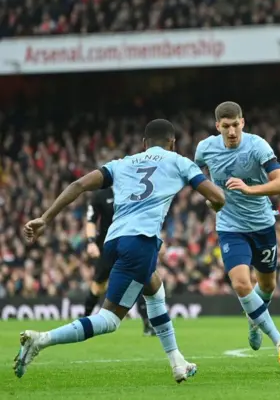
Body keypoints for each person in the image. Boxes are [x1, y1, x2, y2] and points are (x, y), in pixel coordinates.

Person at [15, 119, 226, 383]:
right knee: (109, 320)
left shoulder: (123, 163)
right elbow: (218, 197)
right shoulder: (179, 161)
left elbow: (78, 185)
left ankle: (177, 362)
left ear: (144, 144)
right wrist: (214, 205)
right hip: (140, 242)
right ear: (173, 142)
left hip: (113, 241)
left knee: (154, 288)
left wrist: (45, 218)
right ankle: (41, 340)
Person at [195, 101, 280, 352]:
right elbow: (196, 179)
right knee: (240, 283)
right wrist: (210, 198)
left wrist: (250, 189)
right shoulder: (205, 149)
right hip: (230, 226)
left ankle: (253, 322)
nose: (232, 131)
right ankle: (279, 340)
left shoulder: (257, 146)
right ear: (218, 126)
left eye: (236, 125)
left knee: (267, 285)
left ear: (243, 122)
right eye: (226, 126)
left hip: (262, 224)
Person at [83, 185, 154, 336]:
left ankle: (147, 324)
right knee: (98, 286)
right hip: (107, 247)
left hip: (130, 245)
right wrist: (90, 242)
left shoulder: (134, 192)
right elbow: (91, 220)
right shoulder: (100, 196)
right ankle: (84, 320)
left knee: (138, 281)